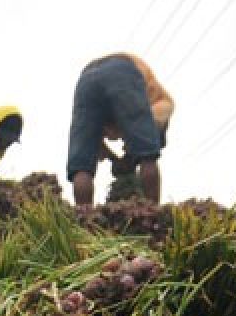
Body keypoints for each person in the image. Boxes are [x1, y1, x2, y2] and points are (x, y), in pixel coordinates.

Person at [65, 53, 174, 206]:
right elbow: (152, 123)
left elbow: (93, 143)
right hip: (122, 69)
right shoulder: (161, 101)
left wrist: (117, 160)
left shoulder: (107, 114)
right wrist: (137, 152)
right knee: (148, 156)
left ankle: (85, 219)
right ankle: (152, 212)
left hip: (85, 80)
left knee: (82, 167)